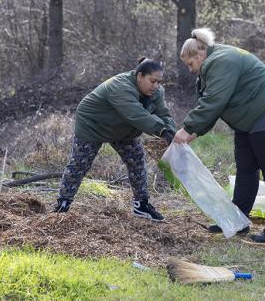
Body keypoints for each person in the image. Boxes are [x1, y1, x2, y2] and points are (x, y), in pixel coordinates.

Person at [174, 28, 265, 244]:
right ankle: (237, 221)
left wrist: (187, 128)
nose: (190, 69)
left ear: (200, 54)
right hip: (250, 120)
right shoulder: (212, 64)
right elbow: (212, 105)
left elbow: (214, 101)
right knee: (246, 168)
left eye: (190, 64)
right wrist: (193, 132)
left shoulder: (221, 61)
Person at [53, 58, 176, 221]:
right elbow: (136, 114)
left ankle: (142, 205)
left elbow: (164, 114)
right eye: (152, 81)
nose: (156, 86)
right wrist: (161, 130)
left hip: (123, 127)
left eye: (159, 82)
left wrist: (171, 132)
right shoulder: (120, 86)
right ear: (140, 76)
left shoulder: (156, 92)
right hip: (93, 124)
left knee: (136, 160)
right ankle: (63, 204)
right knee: (79, 164)